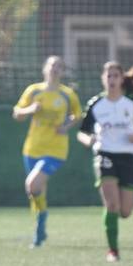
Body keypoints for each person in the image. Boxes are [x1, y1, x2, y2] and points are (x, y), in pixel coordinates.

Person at [77, 62, 133, 263]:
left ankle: (114, 222)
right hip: (104, 154)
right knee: (112, 205)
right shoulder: (96, 104)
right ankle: (113, 250)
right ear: (103, 79)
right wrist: (88, 140)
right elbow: (82, 132)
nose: (112, 80)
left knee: (125, 212)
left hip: (128, 156)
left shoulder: (130, 103)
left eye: (115, 76)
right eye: (108, 76)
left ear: (121, 79)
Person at [12, 56, 82, 248]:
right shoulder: (33, 91)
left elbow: (78, 114)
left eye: (60, 66)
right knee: (35, 191)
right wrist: (31, 110)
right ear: (44, 68)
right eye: (52, 65)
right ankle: (40, 229)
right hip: (32, 148)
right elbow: (17, 113)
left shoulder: (67, 94)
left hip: (56, 149)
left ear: (63, 72)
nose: (55, 69)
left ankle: (42, 220)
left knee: (32, 184)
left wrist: (66, 126)